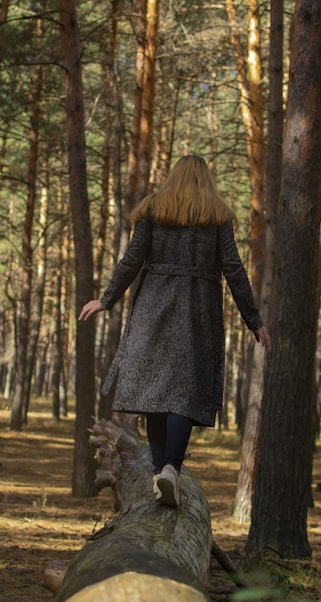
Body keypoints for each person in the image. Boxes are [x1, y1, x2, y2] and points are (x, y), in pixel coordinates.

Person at [79, 155, 271, 508]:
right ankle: (170, 469)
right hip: (197, 309)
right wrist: (253, 319)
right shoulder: (217, 215)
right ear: (205, 181)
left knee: (155, 393)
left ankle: (158, 473)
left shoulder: (155, 208)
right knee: (183, 392)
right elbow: (234, 270)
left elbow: (132, 260)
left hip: (155, 304)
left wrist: (106, 300)